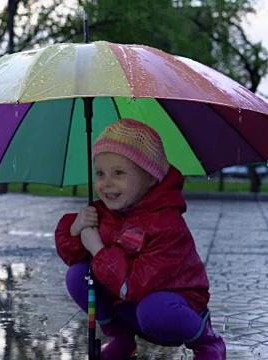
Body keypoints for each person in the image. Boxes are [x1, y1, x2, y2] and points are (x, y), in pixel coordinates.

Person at [55, 118, 226, 360]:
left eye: (119, 173)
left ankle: (207, 341)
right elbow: (72, 255)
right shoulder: (103, 212)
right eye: (100, 173)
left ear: (150, 177)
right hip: (128, 305)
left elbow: (135, 286)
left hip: (171, 305)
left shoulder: (166, 224)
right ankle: (122, 339)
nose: (106, 183)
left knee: (153, 311)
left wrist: (97, 248)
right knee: (78, 275)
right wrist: (76, 229)